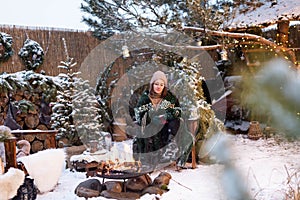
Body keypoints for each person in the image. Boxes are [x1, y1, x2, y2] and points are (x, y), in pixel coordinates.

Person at [133, 70, 183, 169]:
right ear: (152, 84)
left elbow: (177, 111)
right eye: (156, 84)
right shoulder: (145, 98)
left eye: (161, 84)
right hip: (150, 125)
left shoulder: (169, 98)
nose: (158, 86)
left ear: (164, 86)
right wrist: (151, 117)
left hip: (165, 126)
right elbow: (138, 113)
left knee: (175, 123)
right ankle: (147, 159)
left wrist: (164, 117)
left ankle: (169, 149)